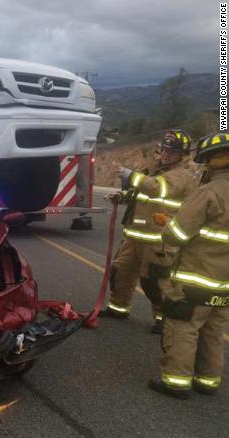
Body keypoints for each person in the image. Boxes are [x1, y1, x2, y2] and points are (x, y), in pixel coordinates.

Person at [147, 132, 229, 399]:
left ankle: (176, 382)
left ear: (214, 162)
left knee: (184, 327)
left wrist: (167, 224)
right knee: (213, 331)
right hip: (224, 283)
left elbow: (178, 235)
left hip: (196, 277)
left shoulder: (209, 192)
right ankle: (208, 380)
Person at [101, 129, 197, 333]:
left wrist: (129, 174)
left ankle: (164, 319)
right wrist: (123, 197)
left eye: (173, 152)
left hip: (159, 241)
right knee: (120, 272)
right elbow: (142, 193)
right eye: (165, 150)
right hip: (134, 235)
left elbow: (156, 189)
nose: (166, 155)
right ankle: (119, 307)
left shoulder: (181, 176)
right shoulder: (154, 171)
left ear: (183, 155)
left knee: (155, 281)